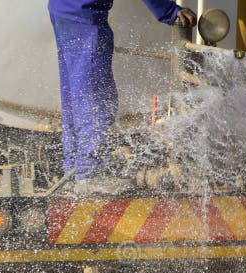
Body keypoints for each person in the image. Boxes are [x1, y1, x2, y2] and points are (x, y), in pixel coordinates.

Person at [49, 0, 197, 195]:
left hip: (64, 11)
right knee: (97, 100)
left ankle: (73, 169)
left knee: (76, 96)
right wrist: (170, 11)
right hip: (85, 17)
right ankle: (89, 175)